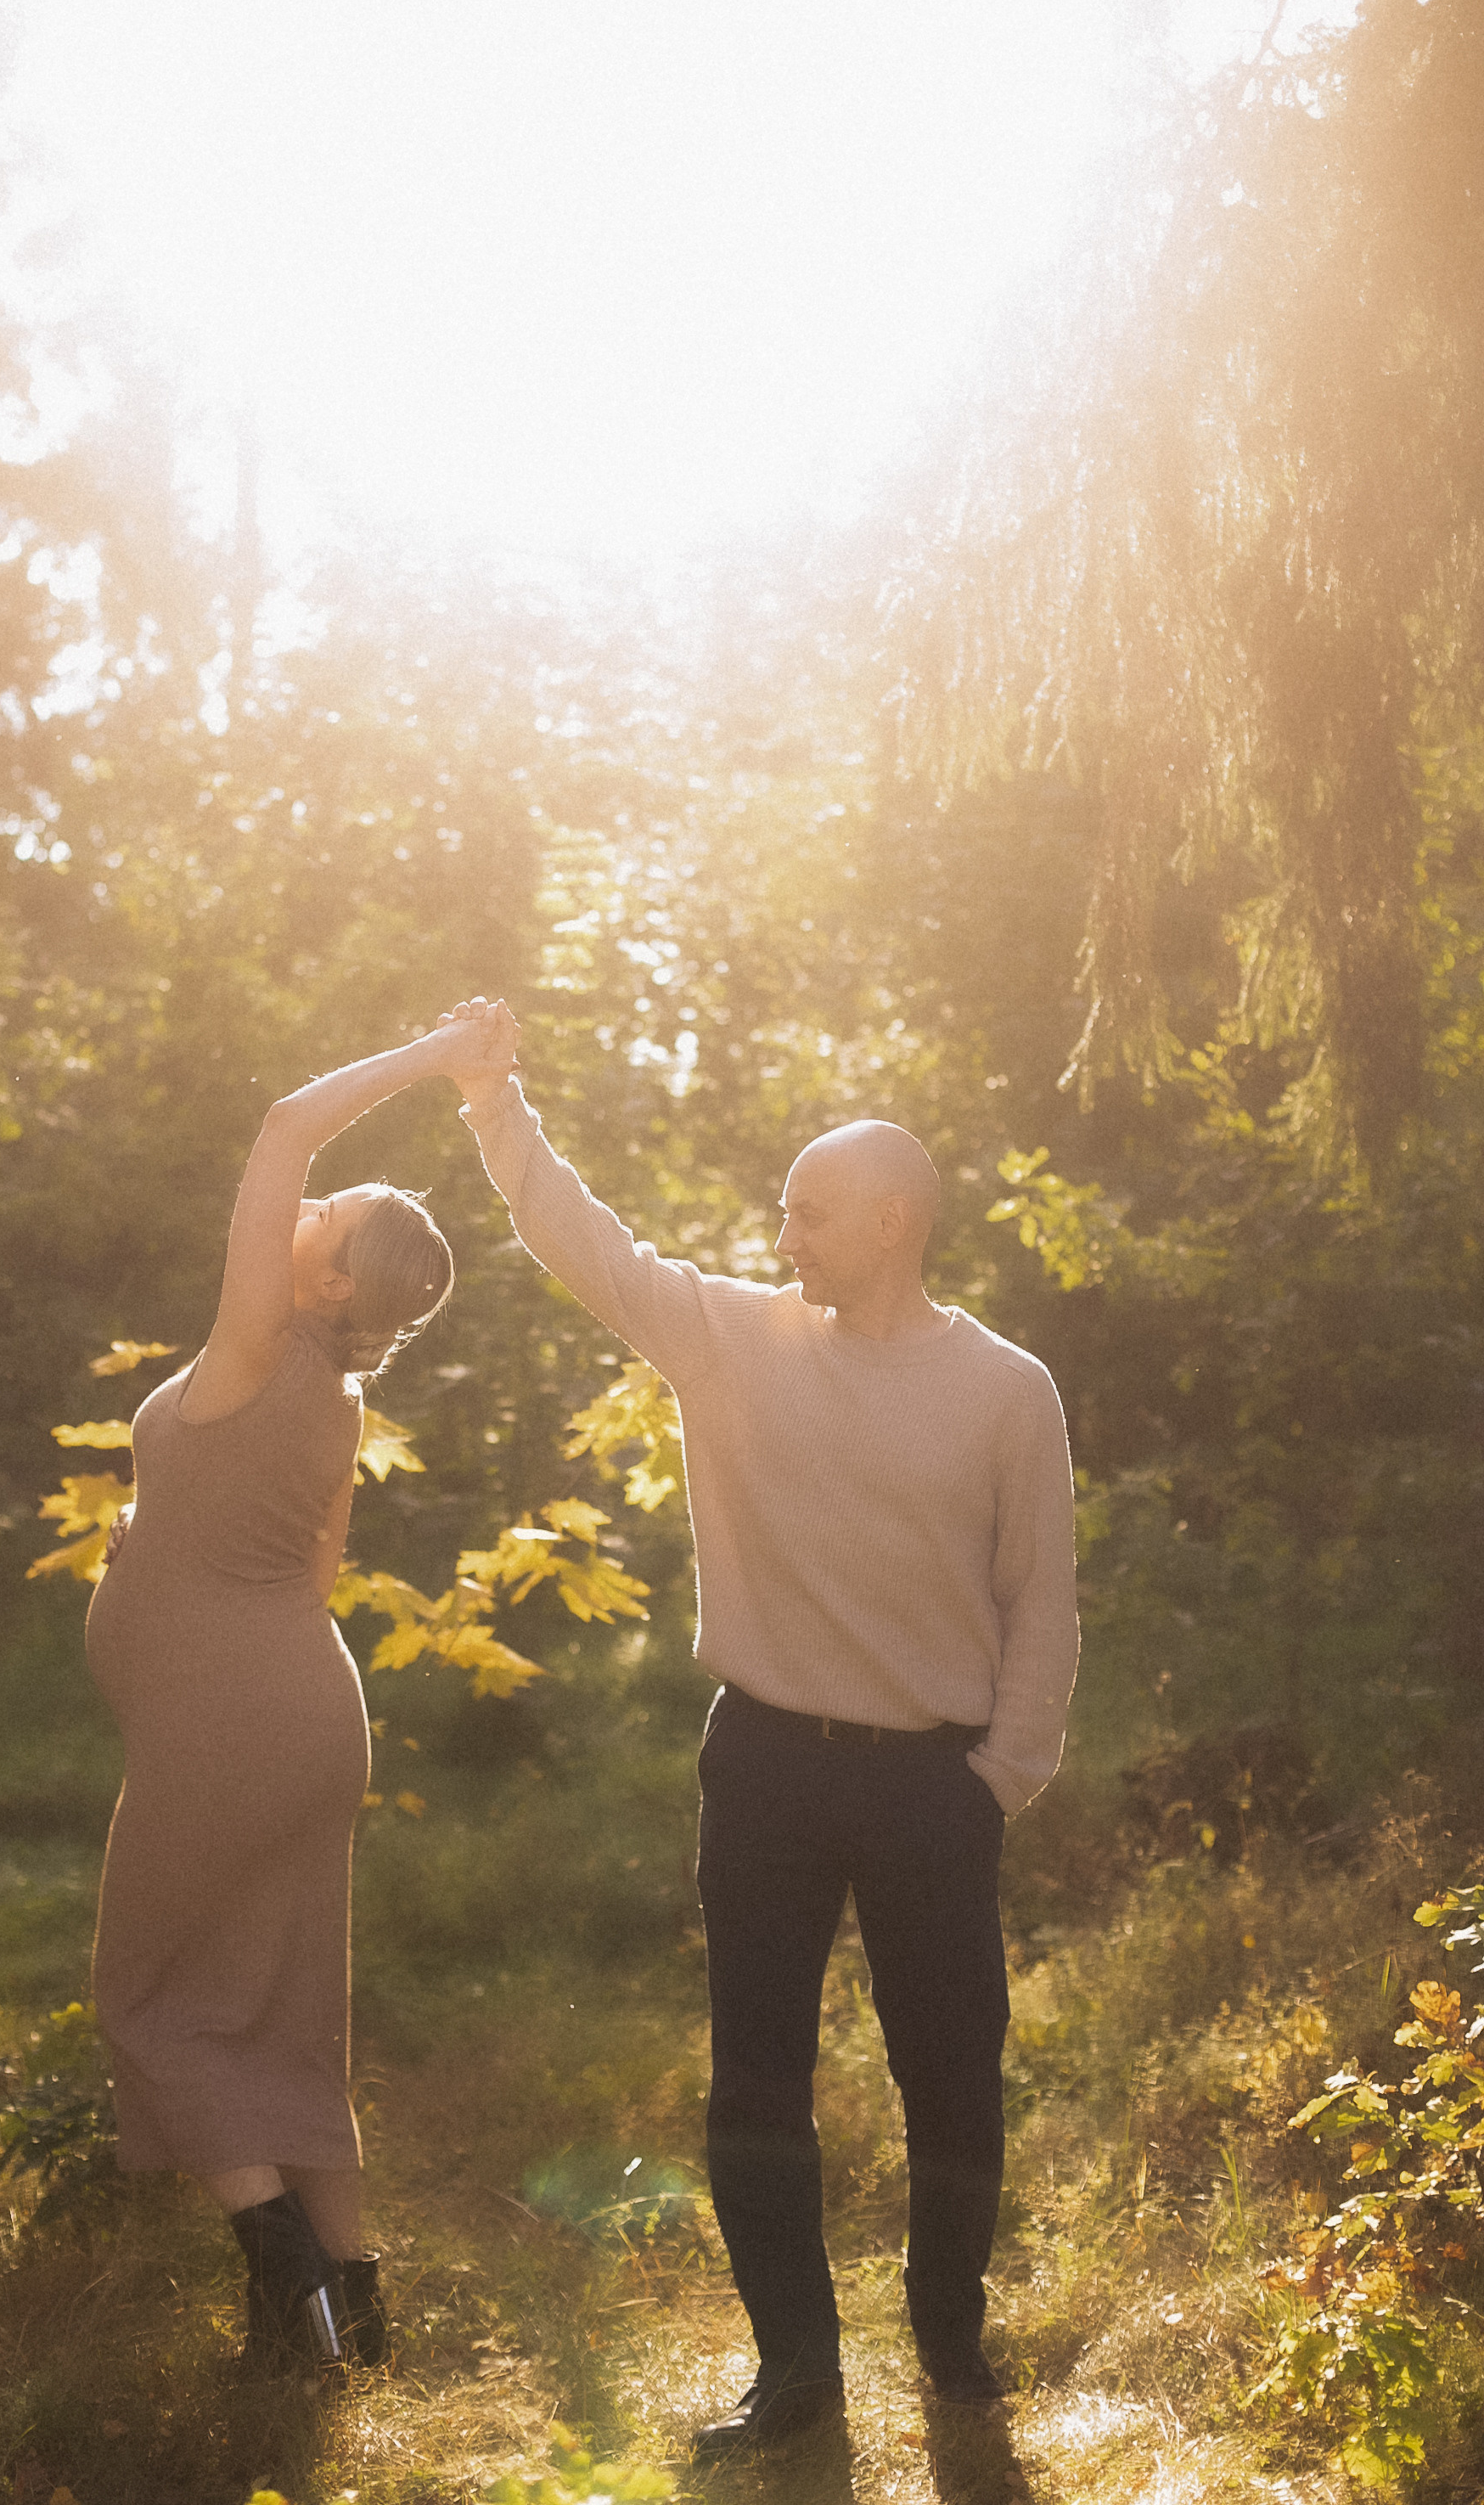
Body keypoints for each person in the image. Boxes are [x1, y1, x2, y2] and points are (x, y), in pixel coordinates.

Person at [441, 999, 1078, 2456]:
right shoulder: (729, 1338)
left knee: (953, 2066)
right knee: (756, 2077)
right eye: (782, 1209)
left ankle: (949, 2343)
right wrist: (492, 1104)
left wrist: (1001, 1778)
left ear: (893, 1220)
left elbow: (1042, 1598)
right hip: (768, 1766)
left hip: (935, 1784)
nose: (781, 1232)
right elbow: (581, 1239)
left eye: (808, 1210)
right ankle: (795, 2372)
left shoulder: (1005, 1390)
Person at [85, 1010, 509, 2375]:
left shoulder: (257, 1344)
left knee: (144, 1997)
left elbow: (282, 1128)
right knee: (283, 2009)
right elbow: (311, 1572)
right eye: (321, 1200)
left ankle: (287, 2277)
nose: (303, 1201)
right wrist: (162, 1556)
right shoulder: (334, 1394)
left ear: (328, 1286)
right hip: (306, 1718)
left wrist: (436, 1051)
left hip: (230, 1728)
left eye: (329, 1215)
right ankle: (364, 2313)